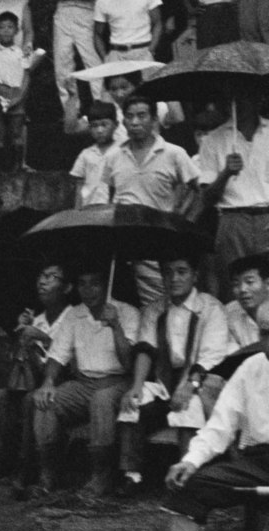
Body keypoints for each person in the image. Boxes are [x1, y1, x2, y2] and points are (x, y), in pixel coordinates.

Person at [118, 254, 230, 493]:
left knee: (188, 406)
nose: (174, 278)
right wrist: (136, 385)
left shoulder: (210, 308)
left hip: (200, 378)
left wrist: (189, 386)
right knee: (133, 402)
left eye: (181, 271)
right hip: (165, 378)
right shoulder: (155, 309)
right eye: (168, 272)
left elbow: (212, 356)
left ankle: (186, 477)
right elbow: (145, 349)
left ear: (195, 275)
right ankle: (132, 475)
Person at [164, 305, 269, 531]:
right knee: (188, 484)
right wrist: (190, 461)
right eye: (264, 333)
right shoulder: (251, 367)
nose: (267, 342)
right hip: (256, 462)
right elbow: (219, 426)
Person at [32, 268, 141, 494]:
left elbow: (129, 363)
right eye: (82, 284)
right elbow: (57, 354)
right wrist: (49, 382)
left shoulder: (127, 312)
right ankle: (48, 474)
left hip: (117, 382)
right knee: (47, 401)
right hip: (84, 383)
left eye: (94, 284)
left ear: (106, 285)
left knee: (101, 401)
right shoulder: (75, 315)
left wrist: (116, 326)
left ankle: (101, 475)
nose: (88, 290)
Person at [97, 93, 200, 307]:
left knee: (171, 301)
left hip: (162, 240)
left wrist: (180, 218)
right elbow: (108, 195)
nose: (135, 122)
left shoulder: (174, 153)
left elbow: (196, 190)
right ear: (123, 120)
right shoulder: (113, 156)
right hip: (125, 241)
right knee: (133, 305)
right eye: (130, 116)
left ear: (154, 119)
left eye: (142, 115)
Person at [0, 263, 71, 487]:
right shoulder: (36, 319)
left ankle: (26, 465)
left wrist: (44, 338)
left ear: (67, 287)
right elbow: (20, 364)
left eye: (52, 277)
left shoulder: (73, 317)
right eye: (41, 275)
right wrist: (21, 333)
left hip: (64, 381)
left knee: (32, 401)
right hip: (35, 380)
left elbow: (69, 361)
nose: (43, 281)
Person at [194, 93, 269, 291]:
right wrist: (226, 173)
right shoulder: (212, 140)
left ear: (256, 99)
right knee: (236, 287)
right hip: (232, 220)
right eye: (229, 99)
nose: (234, 105)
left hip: (267, 215)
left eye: (241, 97)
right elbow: (206, 198)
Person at [0, 11, 35, 171]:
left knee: (17, 135)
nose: (5, 30)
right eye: (1, 27)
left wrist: (19, 97)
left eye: (10, 27)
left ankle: (17, 168)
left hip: (15, 94)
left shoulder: (21, 52)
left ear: (17, 30)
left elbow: (26, 77)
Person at [70, 101, 121, 208]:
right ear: (89, 128)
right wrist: (77, 212)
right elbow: (79, 186)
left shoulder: (122, 151)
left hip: (115, 207)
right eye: (94, 126)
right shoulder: (86, 154)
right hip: (90, 207)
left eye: (104, 124)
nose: (99, 130)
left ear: (116, 125)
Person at [222, 254, 269, 352]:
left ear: (267, 284)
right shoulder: (228, 313)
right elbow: (231, 354)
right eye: (236, 284)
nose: (242, 289)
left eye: (250, 282)